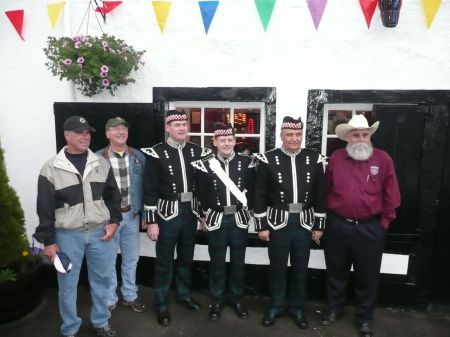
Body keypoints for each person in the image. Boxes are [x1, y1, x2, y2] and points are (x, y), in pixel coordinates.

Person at [34, 116, 122, 337]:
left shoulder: (101, 163)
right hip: (66, 236)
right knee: (67, 286)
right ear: (67, 135)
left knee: (103, 282)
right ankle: (70, 328)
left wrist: (114, 222)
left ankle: (101, 322)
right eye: (80, 132)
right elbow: (44, 208)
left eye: (88, 132)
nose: (85, 137)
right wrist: (49, 241)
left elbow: (113, 196)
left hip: (100, 234)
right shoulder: (51, 168)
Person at [321, 114, 401, 337]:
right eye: (355, 135)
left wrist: (383, 224)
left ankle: (365, 318)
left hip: (370, 229)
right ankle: (334, 309)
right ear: (347, 137)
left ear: (370, 136)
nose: (361, 139)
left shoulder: (383, 159)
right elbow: (326, 189)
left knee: (367, 276)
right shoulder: (336, 158)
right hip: (338, 227)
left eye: (365, 135)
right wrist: (328, 221)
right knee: (336, 271)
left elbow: (391, 195)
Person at [253, 116, 327, 329]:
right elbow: (259, 194)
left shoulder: (314, 159)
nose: (294, 139)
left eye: (298, 134)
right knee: (277, 266)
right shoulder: (268, 159)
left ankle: (297, 308)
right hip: (278, 223)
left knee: (300, 268)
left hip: (304, 223)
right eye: (289, 135)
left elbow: (321, 194)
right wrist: (262, 225)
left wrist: (319, 225)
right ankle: (275, 305)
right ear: (281, 136)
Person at [142, 110, 211, 326]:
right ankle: (161, 303)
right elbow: (150, 188)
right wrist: (152, 221)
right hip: (167, 214)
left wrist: (202, 215)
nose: (182, 128)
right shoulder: (156, 153)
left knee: (185, 257)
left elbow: (202, 187)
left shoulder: (197, 151)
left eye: (184, 124)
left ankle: (183, 294)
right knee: (164, 261)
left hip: (189, 212)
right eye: (177, 125)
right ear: (167, 128)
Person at [192, 123, 255, 321]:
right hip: (217, 219)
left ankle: (237, 300)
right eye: (222, 140)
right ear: (215, 142)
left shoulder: (247, 163)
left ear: (235, 141)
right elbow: (201, 192)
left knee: (238, 263)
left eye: (230, 140)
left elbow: (253, 191)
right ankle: (216, 301)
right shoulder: (205, 164)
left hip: (239, 219)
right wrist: (203, 215)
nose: (226, 143)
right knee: (217, 263)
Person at [97, 117, 146, 313]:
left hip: (132, 216)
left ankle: (129, 295)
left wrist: (144, 214)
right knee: (108, 259)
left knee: (131, 258)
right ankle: (109, 297)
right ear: (107, 133)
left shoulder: (138, 157)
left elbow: (145, 187)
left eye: (124, 128)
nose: (120, 132)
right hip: (108, 219)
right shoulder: (97, 158)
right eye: (115, 129)